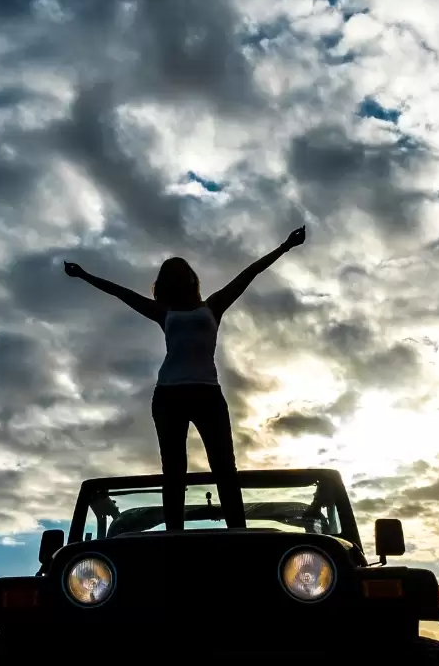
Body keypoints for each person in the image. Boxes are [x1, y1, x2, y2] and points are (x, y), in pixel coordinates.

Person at [64, 227, 307, 531]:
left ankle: (238, 534)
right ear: (167, 284)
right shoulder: (163, 312)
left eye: (183, 272)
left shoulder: (213, 306)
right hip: (169, 396)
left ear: (192, 278)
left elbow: (249, 274)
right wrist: (84, 275)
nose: (180, 278)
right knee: (174, 472)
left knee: (224, 470)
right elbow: (121, 292)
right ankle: (174, 535)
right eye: (172, 274)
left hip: (207, 394)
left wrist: (285, 246)